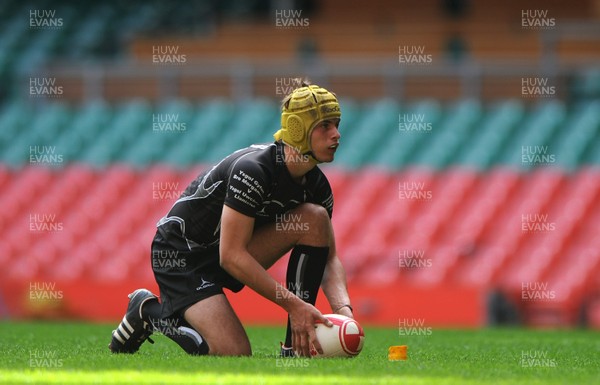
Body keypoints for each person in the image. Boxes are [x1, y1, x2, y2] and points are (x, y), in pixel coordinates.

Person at [108, 82, 353, 357]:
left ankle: (294, 348)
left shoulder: (318, 187)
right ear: (298, 129)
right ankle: (149, 311)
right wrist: (293, 304)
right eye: (325, 126)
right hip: (182, 256)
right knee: (232, 352)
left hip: (228, 251)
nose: (336, 135)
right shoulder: (254, 170)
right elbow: (231, 256)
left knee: (315, 219)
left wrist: (345, 311)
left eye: (337, 124)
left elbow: (329, 259)